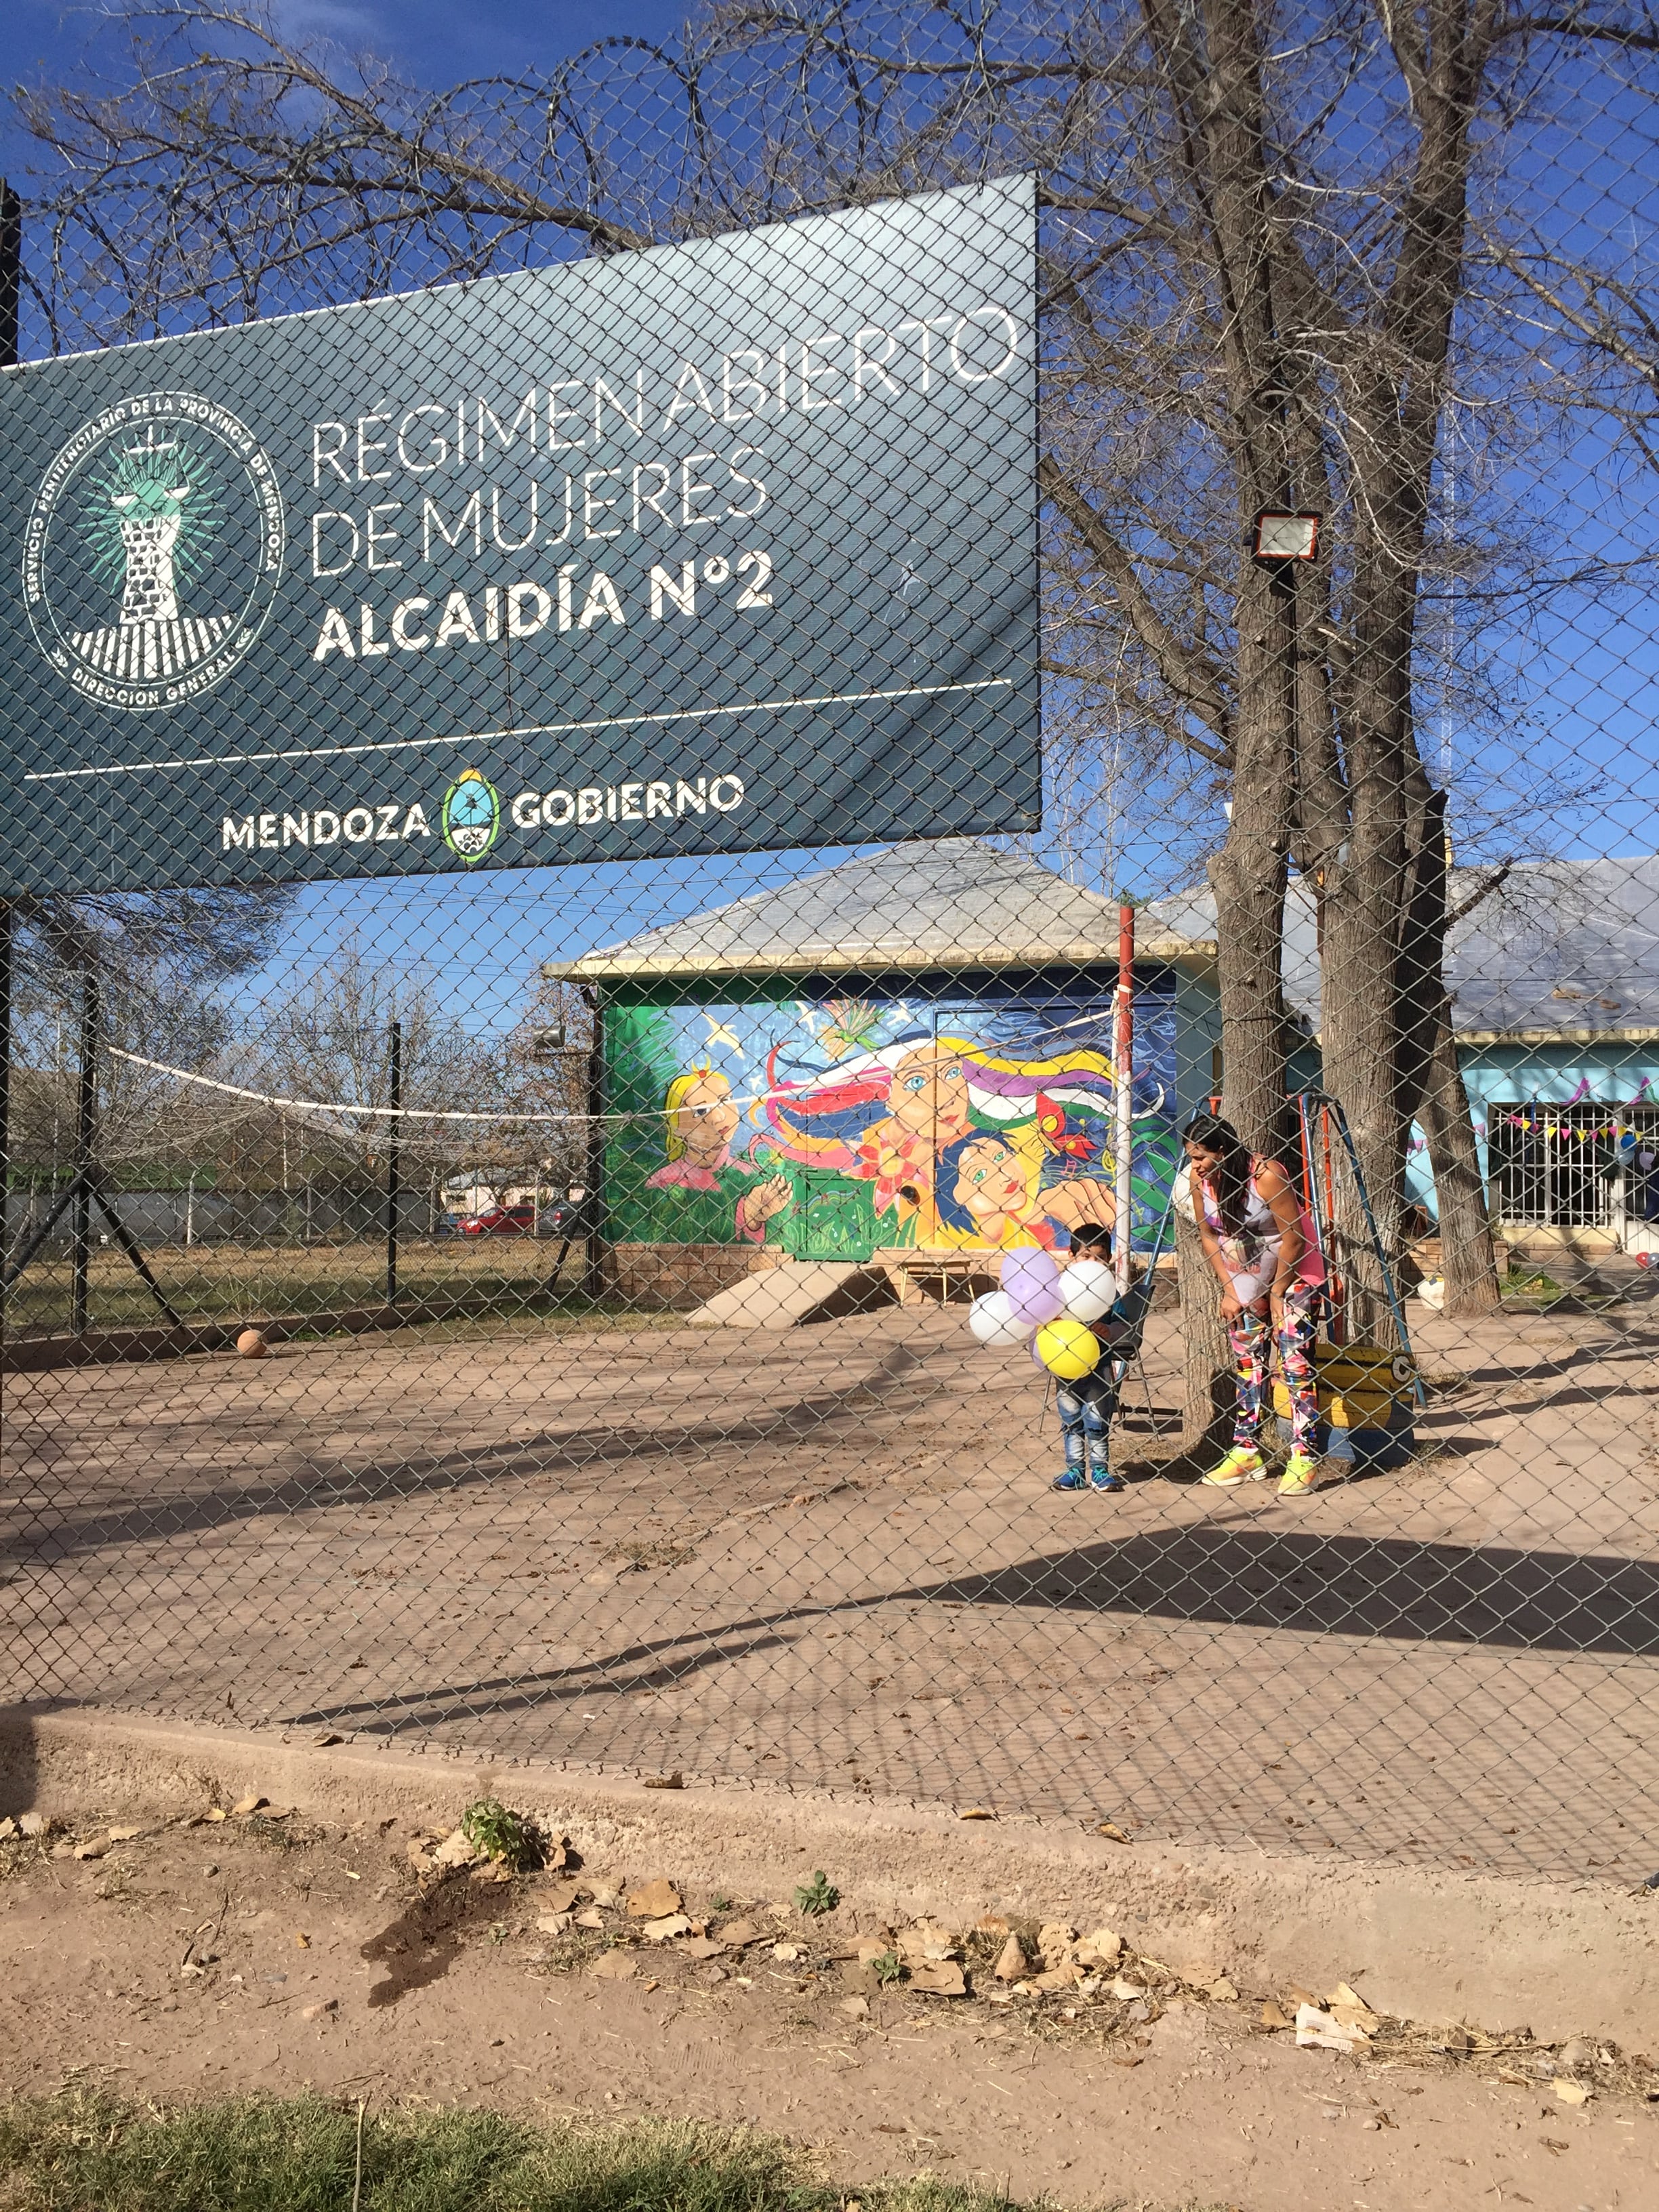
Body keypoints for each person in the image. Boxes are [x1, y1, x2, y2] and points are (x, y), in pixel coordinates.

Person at [1181, 1111, 1327, 1498]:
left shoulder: (1266, 1175)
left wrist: (1278, 1294)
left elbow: (1293, 1237)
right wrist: (1230, 1290)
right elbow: (1209, 1235)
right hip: (1245, 1277)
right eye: (1190, 1157)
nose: (1194, 1166)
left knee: (1295, 1363)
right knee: (1249, 1364)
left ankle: (1304, 1457)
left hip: (1292, 1273)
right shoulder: (1200, 1180)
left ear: (1224, 1152)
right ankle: (1247, 1452)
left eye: (1200, 1157)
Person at [1050, 1221, 1131, 1494]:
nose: (1093, 1263)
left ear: (1109, 1261)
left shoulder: (1109, 1293)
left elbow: (1124, 1326)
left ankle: (1099, 1469)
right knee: (1071, 1419)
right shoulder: (1061, 1291)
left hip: (1100, 1366)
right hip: (1066, 1367)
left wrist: (1109, 1329)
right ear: (1071, 1257)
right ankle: (1075, 1470)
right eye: (1086, 1256)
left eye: (1100, 1258)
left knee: (1097, 1421)